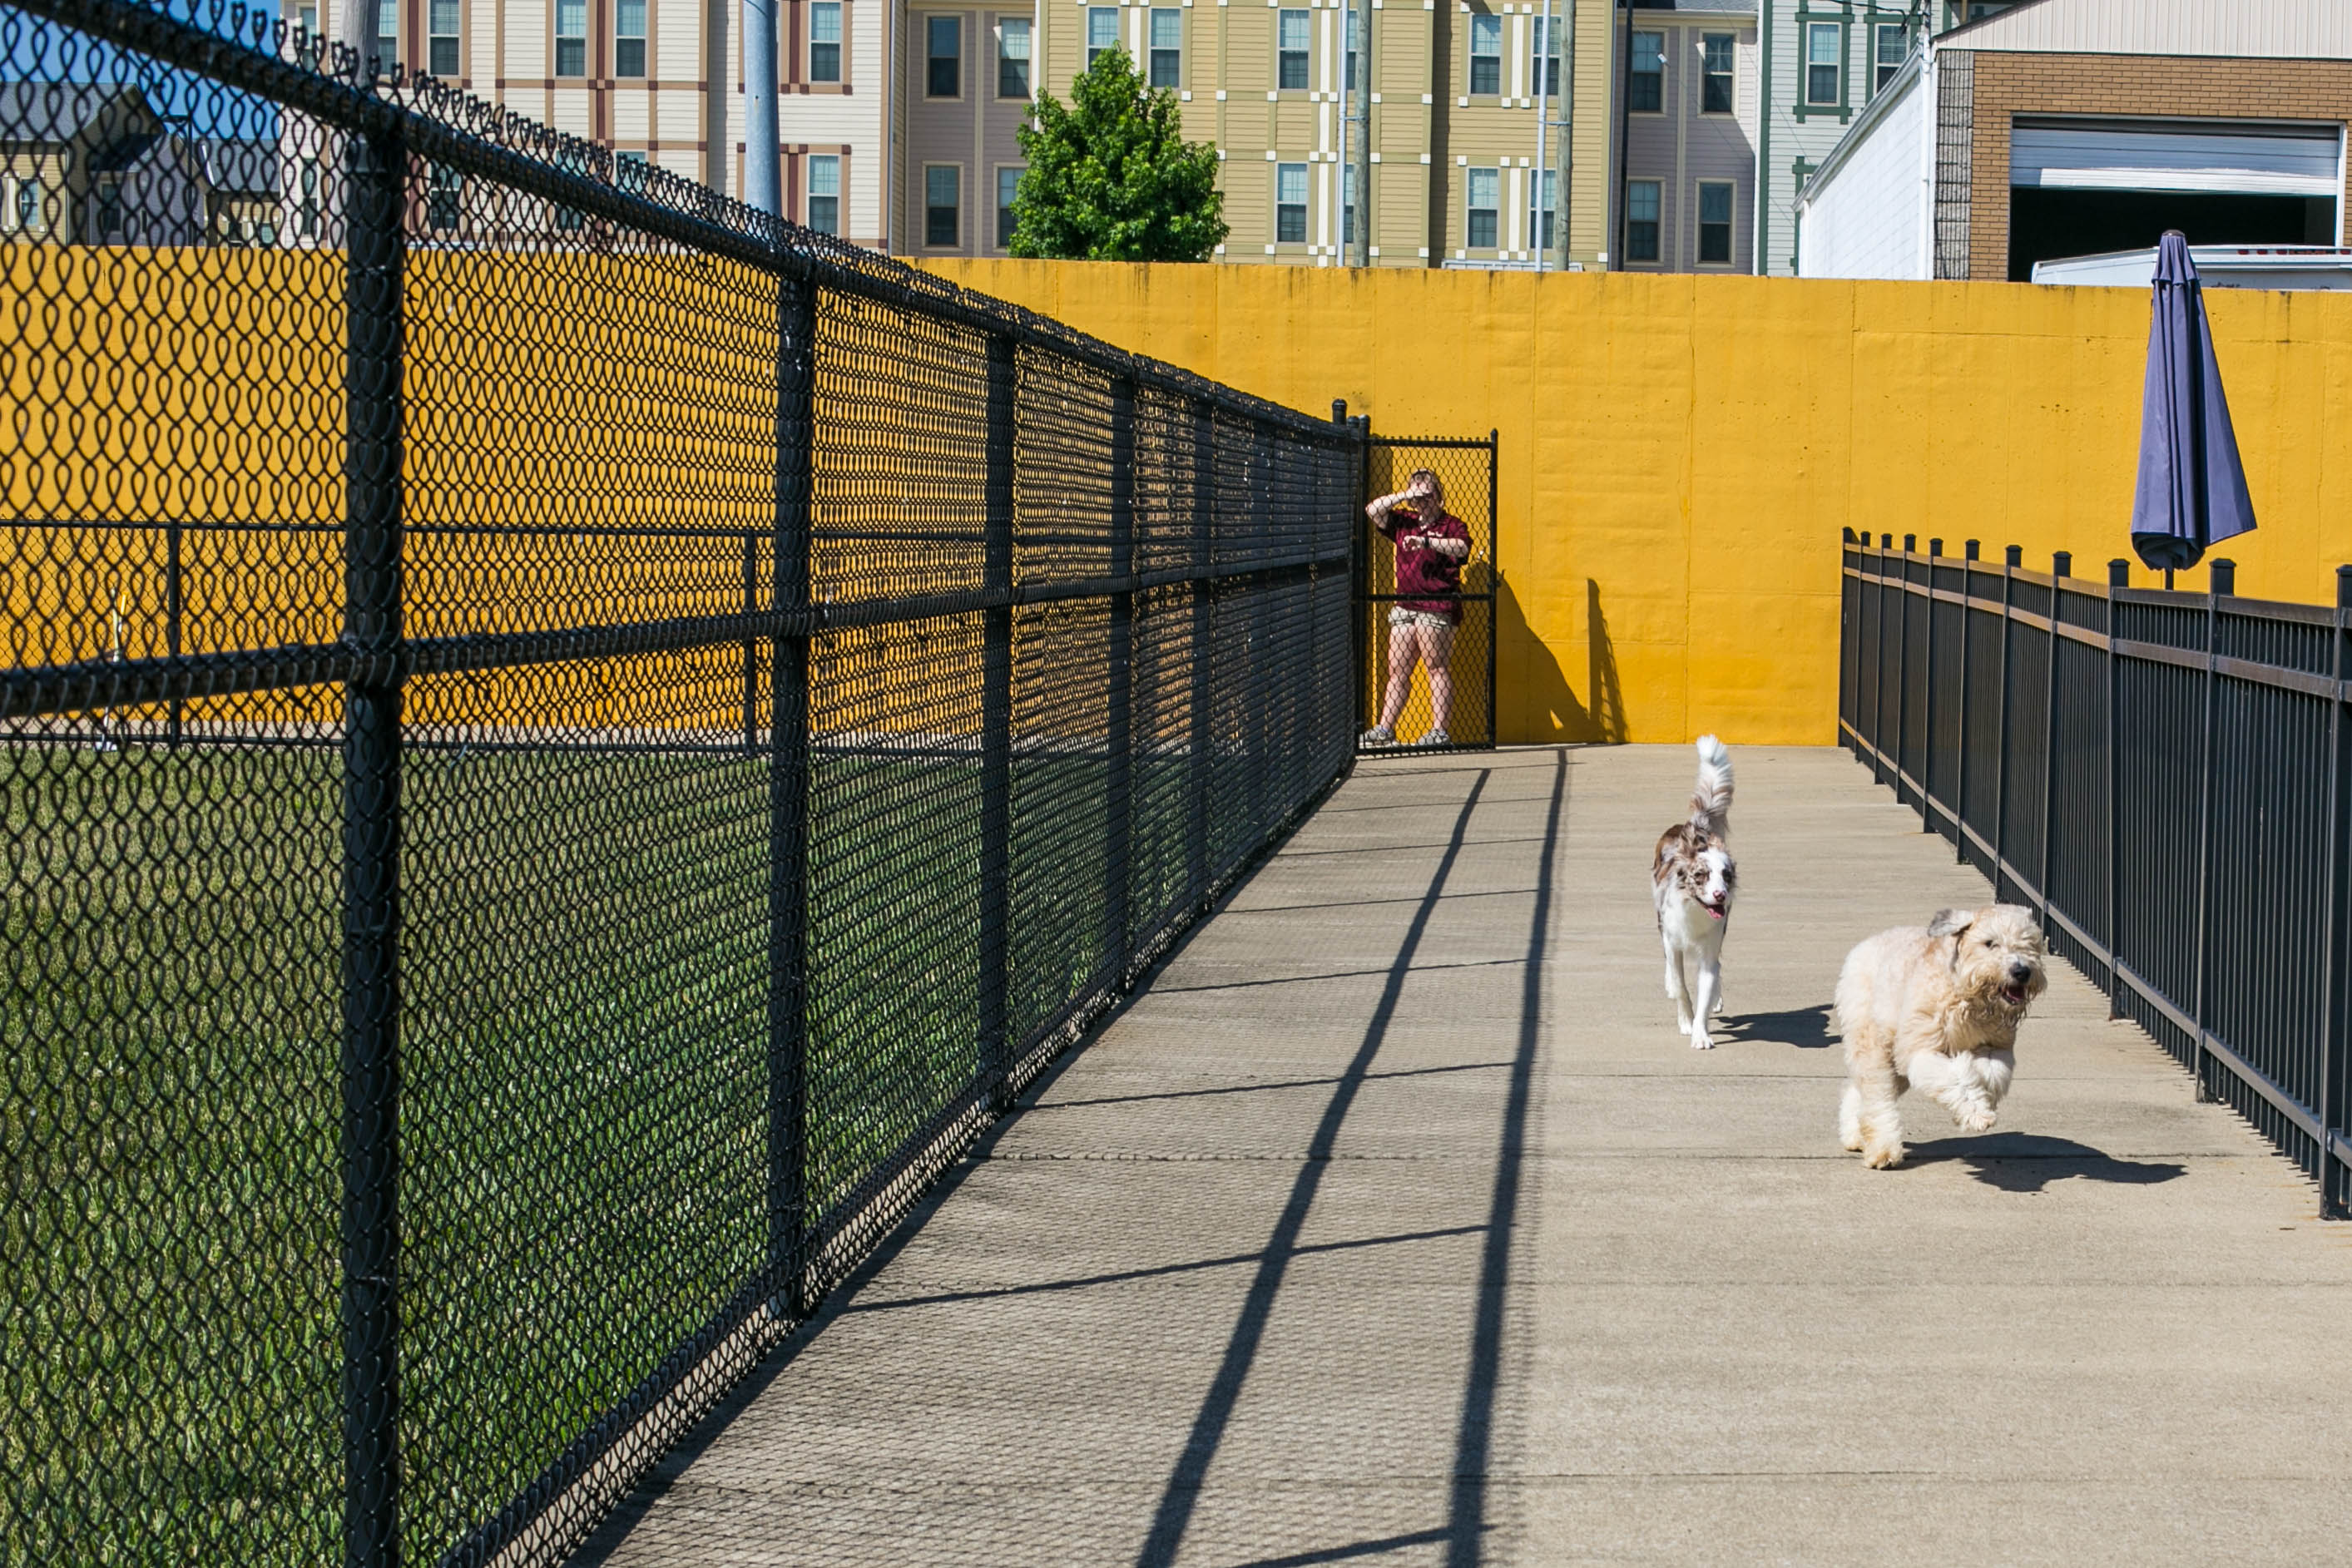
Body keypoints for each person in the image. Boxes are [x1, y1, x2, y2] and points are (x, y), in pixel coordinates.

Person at [1361, 468, 1472, 747]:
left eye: (1428, 493)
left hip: (1436, 604)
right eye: (1419, 495)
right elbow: (1373, 510)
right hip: (1405, 604)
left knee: (1436, 666)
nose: (1423, 500)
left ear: (1439, 495)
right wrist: (1406, 495)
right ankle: (1385, 728)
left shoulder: (1451, 525)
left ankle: (1439, 731)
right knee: (1398, 670)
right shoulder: (1404, 521)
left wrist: (1426, 541)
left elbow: (1462, 548)